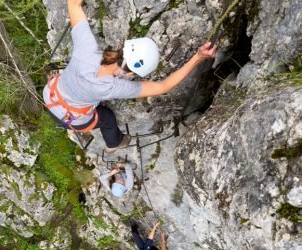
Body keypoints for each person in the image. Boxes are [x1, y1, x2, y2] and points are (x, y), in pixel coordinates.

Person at [43, 0, 217, 153]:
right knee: (107, 117)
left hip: (50, 96)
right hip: (72, 119)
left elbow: (73, 4)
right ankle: (114, 143)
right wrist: (198, 58)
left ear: (124, 48)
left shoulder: (86, 47)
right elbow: (162, 87)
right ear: (132, 73)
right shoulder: (113, 87)